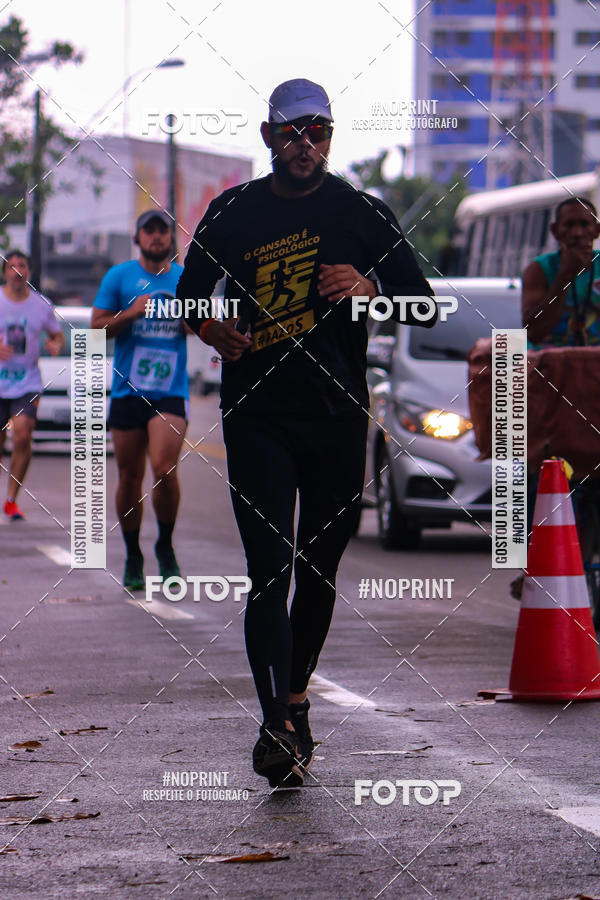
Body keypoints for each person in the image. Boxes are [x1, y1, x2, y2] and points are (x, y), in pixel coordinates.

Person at [178, 78, 436, 787]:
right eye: (293, 132)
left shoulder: (360, 213)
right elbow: (189, 295)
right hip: (257, 415)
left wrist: (372, 291)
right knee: (270, 570)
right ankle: (275, 724)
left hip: (337, 417)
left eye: (318, 132)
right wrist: (210, 326)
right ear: (268, 137)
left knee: (319, 572)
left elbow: (425, 308)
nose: (306, 144)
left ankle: (295, 697)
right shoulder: (232, 211)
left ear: (331, 136)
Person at [91, 210, 187, 590]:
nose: (156, 237)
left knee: (164, 469)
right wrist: (131, 313)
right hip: (127, 390)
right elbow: (96, 329)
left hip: (170, 390)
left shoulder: (184, 280)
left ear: (171, 239)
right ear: (138, 237)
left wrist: (193, 322)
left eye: (163, 231)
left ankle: (165, 543)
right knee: (129, 476)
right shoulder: (119, 277)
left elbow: (203, 326)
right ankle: (133, 553)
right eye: (149, 230)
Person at [514, 197, 600, 599]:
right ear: (556, 233)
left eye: (585, 225)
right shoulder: (541, 270)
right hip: (554, 398)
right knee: (543, 476)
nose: (578, 232)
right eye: (570, 226)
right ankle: (538, 561)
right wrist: (564, 277)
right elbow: (533, 328)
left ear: (596, 230)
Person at [0, 250, 64, 520]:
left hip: (28, 382)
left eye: (22, 265)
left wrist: (55, 344)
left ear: (29, 271)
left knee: (23, 435)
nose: (17, 270)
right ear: (5, 273)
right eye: (11, 266)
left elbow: (58, 335)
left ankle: (12, 499)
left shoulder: (41, 305)